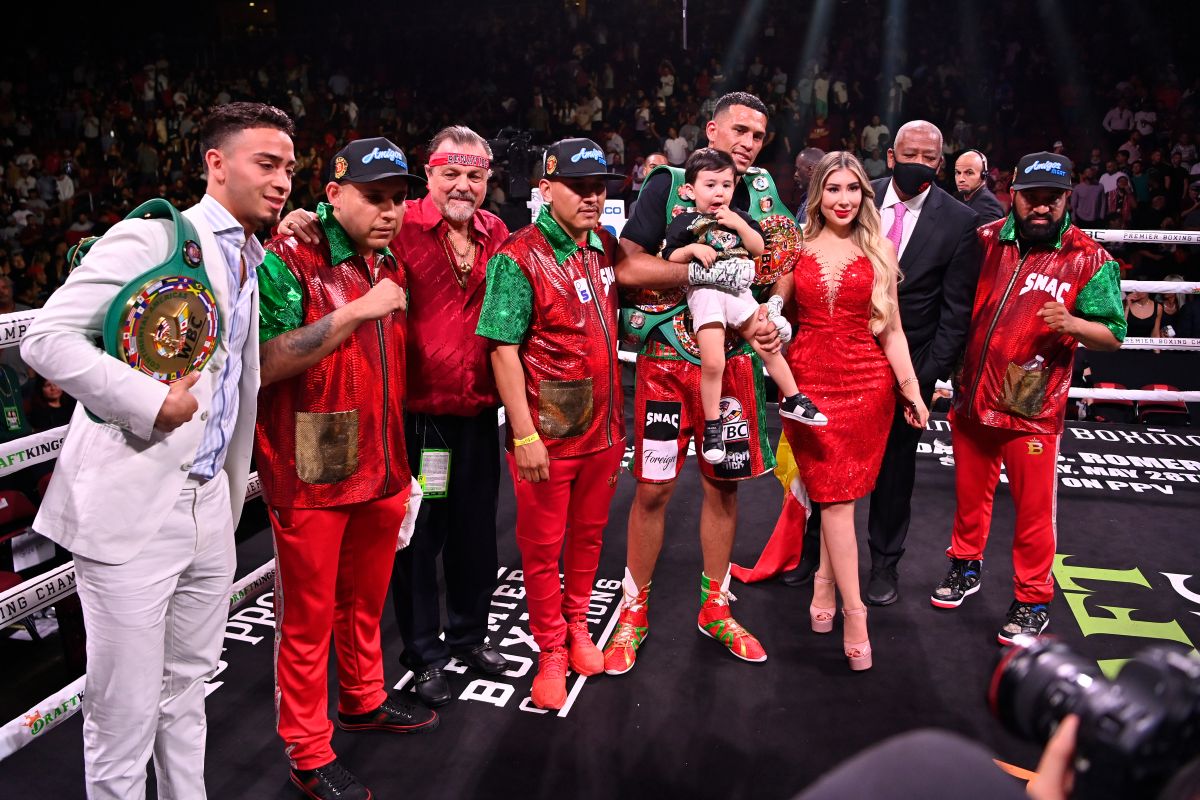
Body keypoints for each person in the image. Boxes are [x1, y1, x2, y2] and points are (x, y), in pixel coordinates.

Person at [19, 101, 294, 800]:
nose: (282, 179)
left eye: (290, 167)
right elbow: (45, 339)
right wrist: (148, 400)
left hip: (210, 505)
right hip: (133, 510)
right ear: (216, 163)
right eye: (266, 164)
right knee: (124, 714)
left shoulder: (247, 255)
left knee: (188, 692)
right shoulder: (153, 238)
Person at [279, 126, 513, 709]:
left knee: (475, 536)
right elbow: (338, 218)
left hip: (480, 413)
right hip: (418, 419)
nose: (463, 185)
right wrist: (299, 219)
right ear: (429, 175)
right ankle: (424, 652)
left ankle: (469, 636)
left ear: (488, 180)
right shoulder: (397, 222)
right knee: (419, 541)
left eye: (475, 175)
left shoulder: (496, 232)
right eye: (451, 173)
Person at [256, 136, 437, 800]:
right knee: (307, 617)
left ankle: (363, 697)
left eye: (396, 200)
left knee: (364, 602)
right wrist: (357, 310)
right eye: (374, 198)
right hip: (314, 458)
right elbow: (268, 363)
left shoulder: (386, 258)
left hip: (384, 457)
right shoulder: (288, 257)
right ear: (332, 195)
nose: (389, 212)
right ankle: (307, 750)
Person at [607, 92, 798, 673]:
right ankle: (633, 609)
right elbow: (627, 267)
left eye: (757, 135)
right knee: (653, 488)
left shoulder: (762, 192)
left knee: (724, 486)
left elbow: (784, 264)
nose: (747, 143)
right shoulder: (667, 183)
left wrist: (777, 309)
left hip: (735, 363)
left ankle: (715, 607)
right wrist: (699, 271)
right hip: (667, 359)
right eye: (738, 130)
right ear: (711, 130)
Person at [931, 151, 1125, 644]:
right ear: (1013, 196)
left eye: (1052, 200)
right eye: (1032, 198)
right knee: (969, 499)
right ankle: (965, 569)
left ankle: (1032, 598)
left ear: (1066, 200)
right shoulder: (985, 240)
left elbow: (1114, 333)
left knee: (1033, 511)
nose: (1041, 208)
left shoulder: (1090, 258)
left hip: (1031, 405)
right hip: (972, 395)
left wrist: (1076, 324)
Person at [475, 137, 625, 709]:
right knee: (540, 551)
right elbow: (501, 351)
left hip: (605, 433)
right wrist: (525, 434)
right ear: (546, 190)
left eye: (598, 187)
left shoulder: (604, 246)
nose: (591, 197)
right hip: (547, 437)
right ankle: (551, 650)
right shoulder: (517, 256)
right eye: (578, 187)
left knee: (587, 540)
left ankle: (580, 628)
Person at [773, 151, 928, 670]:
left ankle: (826, 592)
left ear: (865, 194)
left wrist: (911, 390)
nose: (843, 199)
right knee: (834, 500)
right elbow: (777, 318)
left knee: (841, 500)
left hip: (868, 387)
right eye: (833, 189)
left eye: (853, 189)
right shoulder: (795, 248)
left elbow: (893, 330)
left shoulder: (881, 247)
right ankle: (854, 611)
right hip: (808, 385)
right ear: (819, 194)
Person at [860, 120, 982, 606]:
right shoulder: (856, 196)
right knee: (825, 463)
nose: (918, 164)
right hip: (842, 358)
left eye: (929, 158)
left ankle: (884, 565)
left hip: (909, 368)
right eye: (908, 154)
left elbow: (955, 314)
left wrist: (923, 380)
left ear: (941, 163)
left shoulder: (958, 220)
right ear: (890, 156)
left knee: (894, 472)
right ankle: (813, 555)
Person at [664, 148, 825, 464]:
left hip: (739, 292)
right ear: (689, 190)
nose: (718, 192)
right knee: (713, 362)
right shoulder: (685, 221)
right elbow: (670, 256)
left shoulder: (741, 217)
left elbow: (759, 248)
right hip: (706, 293)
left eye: (725, 185)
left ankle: (793, 398)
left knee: (768, 344)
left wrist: (738, 224)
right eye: (710, 185)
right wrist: (693, 248)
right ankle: (712, 426)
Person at [954, 150, 1005, 223]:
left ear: (983, 175)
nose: (960, 179)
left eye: (969, 173)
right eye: (958, 172)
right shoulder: (958, 197)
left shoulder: (988, 205)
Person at [792, 147, 825, 223]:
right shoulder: (807, 198)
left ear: (810, 170)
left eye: (798, 169)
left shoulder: (821, 203)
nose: (795, 174)